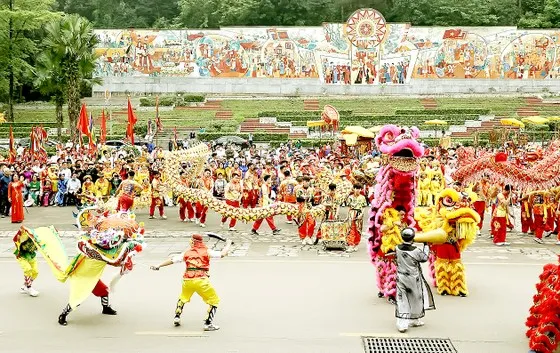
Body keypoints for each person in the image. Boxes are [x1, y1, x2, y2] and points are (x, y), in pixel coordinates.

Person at [150, 234, 233, 331]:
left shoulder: (187, 253)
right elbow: (222, 254)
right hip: (201, 280)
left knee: (183, 297)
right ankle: (208, 323)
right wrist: (228, 244)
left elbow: (172, 260)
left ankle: (177, 316)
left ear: (194, 242)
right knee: (214, 300)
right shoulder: (207, 251)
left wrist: (158, 265)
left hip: (187, 280)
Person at [395, 228, 435, 333]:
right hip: (413, 278)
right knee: (416, 299)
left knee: (402, 299)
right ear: (413, 238)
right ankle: (414, 320)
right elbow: (424, 258)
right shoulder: (415, 250)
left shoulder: (397, 248)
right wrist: (426, 245)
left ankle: (402, 324)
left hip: (401, 277)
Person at [13, 230, 39, 297]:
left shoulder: (38, 239)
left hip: (31, 256)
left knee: (35, 272)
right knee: (27, 270)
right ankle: (29, 288)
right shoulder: (25, 236)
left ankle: (24, 286)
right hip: (22, 256)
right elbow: (16, 239)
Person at [346, 184, 368, 252]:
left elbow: (364, 207)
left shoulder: (362, 197)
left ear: (361, 189)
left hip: (359, 214)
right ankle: (351, 244)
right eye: (356, 188)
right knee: (351, 229)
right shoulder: (350, 197)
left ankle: (356, 243)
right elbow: (349, 207)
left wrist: (361, 214)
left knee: (358, 230)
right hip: (352, 213)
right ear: (353, 189)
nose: (357, 190)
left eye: (359, 189)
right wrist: (347, 215)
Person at [295, 176, 316, 245]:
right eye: (305, 181)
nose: (306, 183)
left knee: (312, 223)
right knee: (302, 224)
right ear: (303, 182)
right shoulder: (299, 189)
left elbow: (313, 199)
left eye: (307, 181)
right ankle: (303, 237)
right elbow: (298, 199)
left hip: (310, 209)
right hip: (302, 208)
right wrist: (305, 198)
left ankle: (309, 236)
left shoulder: (311, 189)